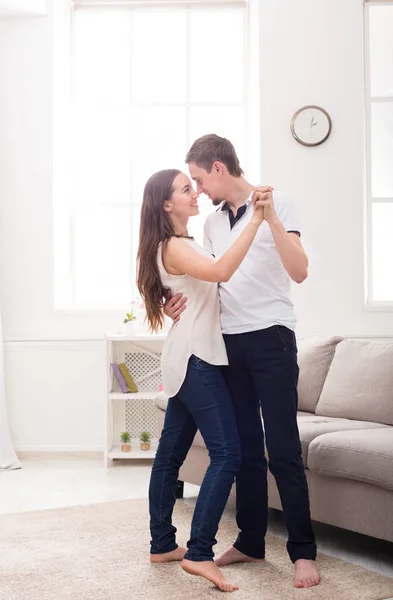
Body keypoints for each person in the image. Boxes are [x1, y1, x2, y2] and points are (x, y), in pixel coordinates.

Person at [164, 134, 320, 589]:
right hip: (227, 344)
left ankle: (303, 552)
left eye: (197, 178)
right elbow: (211, 280)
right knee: (246, 450)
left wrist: (269, 219)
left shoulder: (278, 203)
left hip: (272, 339)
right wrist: (175, 303)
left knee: (284, 450)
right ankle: (251, 541)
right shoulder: (212, 224)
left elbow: (300, 270)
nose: (197, 190)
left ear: (217, 167)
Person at [136, 168, 269, 592]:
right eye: (184, 188)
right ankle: (199, 553)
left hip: (187, 356)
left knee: (169, 456)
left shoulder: (180, 244)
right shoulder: (174, 246)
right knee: (227, 455)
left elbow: (195, 289)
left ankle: (162, 544)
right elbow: (222, 272)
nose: (195, 193)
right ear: (166, 204)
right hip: (197, 360)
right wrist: (256, 220)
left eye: (193, 185)